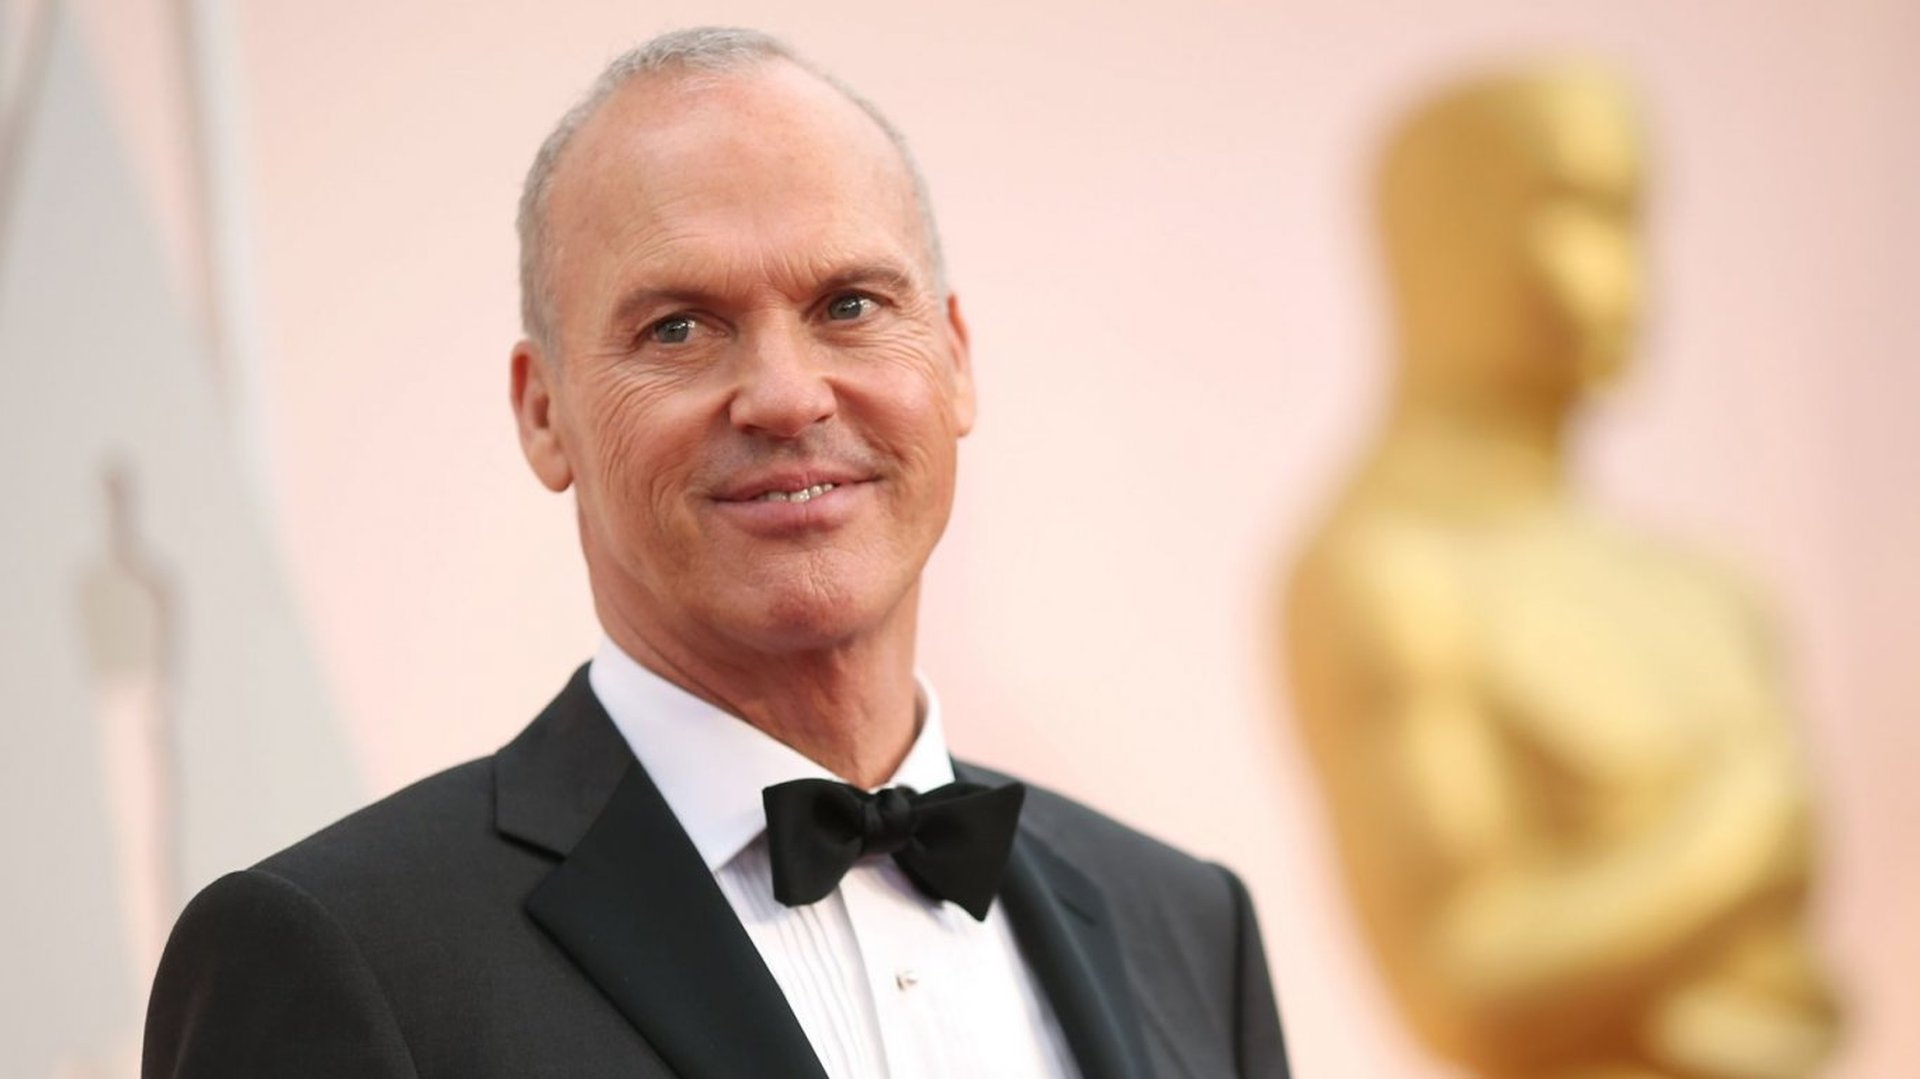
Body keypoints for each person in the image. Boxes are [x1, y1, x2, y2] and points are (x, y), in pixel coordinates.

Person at [144, 27, 1288, 1079]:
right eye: (679, 327)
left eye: (849, 304)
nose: (787, 396)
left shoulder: (1190, 925)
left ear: (954, 359)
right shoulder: (341, 951)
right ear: (543, 413)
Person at [1282, 65, 1838, 1078]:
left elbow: (1797, 997)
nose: (1625, 274)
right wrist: (1742, 839)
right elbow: (1469, 983)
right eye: (1572, 211)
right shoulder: (1390, 580)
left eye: (1633, 219)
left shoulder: (1710, 592)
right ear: (1442, 241)